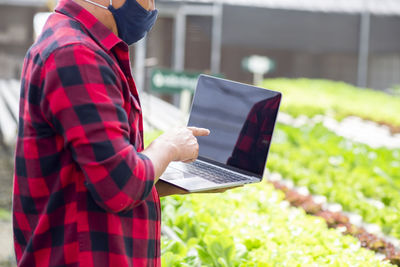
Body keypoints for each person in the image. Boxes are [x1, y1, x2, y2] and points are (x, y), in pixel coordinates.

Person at [13, 0, 229, 266]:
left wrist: (180, 179)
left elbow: (96, 177)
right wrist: (169, 146)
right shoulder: (76, 53)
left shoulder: (77, 43)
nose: (150, 7)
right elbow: (120, 185)